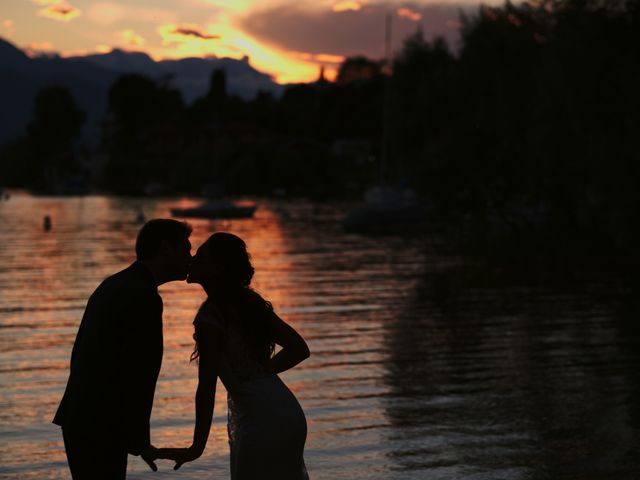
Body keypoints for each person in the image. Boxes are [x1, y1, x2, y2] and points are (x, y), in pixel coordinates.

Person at [157, 232, 311, 479]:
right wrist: (261, 373)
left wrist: (196, 447)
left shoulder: (210, 319)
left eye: (201, 255)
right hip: (286, 411)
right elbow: (299, 349)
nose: (192, 259)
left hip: (261, 420)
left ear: (217, 268)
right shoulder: (249, 304)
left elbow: (206, 387)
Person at [53, 219, 192, 479]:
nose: (190, 258)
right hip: (101, 424)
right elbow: (140, 373)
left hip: (79, 416)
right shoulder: (144, 297)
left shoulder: (113, 284)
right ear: (165, 249)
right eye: (186, 249)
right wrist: (141, 442)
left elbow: (82, 354)